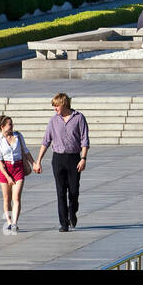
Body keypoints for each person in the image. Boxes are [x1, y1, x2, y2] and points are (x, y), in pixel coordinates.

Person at [35, 93, 89, 233]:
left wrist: (83, 158)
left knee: (74, 191)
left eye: (57, 105)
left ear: (64, 104)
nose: (55, 108)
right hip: (58, 159)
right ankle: (64, 223)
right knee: (60, 192)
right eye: (54, 106)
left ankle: (72, 212)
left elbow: (84, 140)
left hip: (74, 158)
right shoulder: (53, 121)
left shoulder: (79, 118)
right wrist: (38, 161)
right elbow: (46, 141)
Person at [0, 114, 39, 234]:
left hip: (18, 168)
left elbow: (26, 151)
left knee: (16, 197)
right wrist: (7, 177)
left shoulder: (18, 136)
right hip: (5, 170)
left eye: (12, 123)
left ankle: (14, 223)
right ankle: (8, 221)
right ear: (2, 126)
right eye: (10, 124)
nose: (12, 126)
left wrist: (34, 163)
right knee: (7, 199)